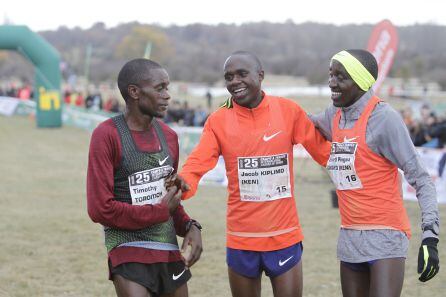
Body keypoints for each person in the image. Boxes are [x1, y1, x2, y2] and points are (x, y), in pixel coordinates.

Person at [179, 51, 331, 297]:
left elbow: (326, 153)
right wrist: (182, 183)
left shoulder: (288, 110)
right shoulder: (218, 120)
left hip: (284, 237)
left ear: (261, 76)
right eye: (229, 77)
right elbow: (198, 162)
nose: (234, 82)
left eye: (242, 74)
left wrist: (345, 135)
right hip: (241, 239)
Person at [310, 49, 440, 296]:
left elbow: (421, 178)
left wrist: (430, 238)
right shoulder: (333, 114)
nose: (331, 82)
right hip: (349, 236)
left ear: (360, 81)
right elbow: (297, 122)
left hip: (386, 237)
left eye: (340, 76)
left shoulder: (384, 118)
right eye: (331, 74)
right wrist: (249, 104)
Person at [86, 58, 203, 297]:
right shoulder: (106, 135)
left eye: (167, 88)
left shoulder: (169, 136)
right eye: (160, 88)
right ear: (134, 92)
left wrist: (190, 226)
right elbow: (100, 209)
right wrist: (159, 212)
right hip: (128, 248)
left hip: (167, 247)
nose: (167, 95)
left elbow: (169, 200)